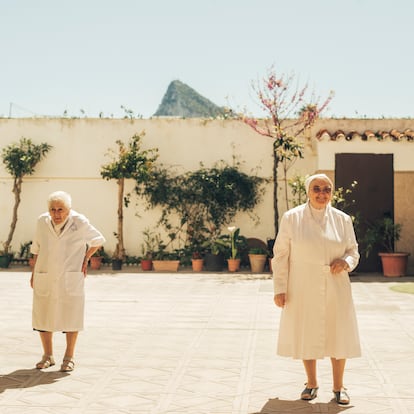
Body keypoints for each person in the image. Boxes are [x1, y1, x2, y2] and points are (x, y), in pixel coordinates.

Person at [272, 173, 360, 405]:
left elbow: (353, 251)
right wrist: (280, 287)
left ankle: (339, 387)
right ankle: (311, 383)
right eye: (316, 188)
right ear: (308, 191)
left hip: (336, 285)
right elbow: (281, 255)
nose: (322, 193)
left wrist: (346, 263)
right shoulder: (292, 218)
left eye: (326, 189)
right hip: (303, 285)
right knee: (307, 331)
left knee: (338, 333)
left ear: (332, 193)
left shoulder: (343, 219)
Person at [30, 190, 105, 372]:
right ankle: (47, 355)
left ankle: (69, 356)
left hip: (70, 276)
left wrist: (86, 258)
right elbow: (37, 248)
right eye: (53, 210)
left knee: (71, 314)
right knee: (43, 313)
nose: (56, 214)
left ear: (69, 210)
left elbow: (98, 240)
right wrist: (34, 272)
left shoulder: (79, 221)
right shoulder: (42, 221)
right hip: (45, 274)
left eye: (60, 209)